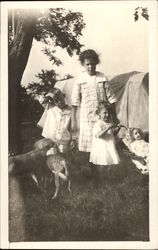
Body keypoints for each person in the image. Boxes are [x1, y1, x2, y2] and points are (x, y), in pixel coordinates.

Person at [71, 49, 118, 156]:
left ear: (96, 63)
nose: (90, 67)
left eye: (93, 64)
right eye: (87, 64)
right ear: (83, 64)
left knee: (104, 143)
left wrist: (115, 116)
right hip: (86, 117)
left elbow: (112, 99)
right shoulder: (80, 79)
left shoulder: (102, 77)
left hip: (103, 116)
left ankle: (104, 166)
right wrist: (74, 121)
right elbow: (74, 103)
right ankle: (92, 168)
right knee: (90, 146)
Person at [38, 88, 72, 153]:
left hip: (63, 141)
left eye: (60, 99)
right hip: (49, 139)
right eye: (56, 101)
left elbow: (72, 127)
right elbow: (41, 100)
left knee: (63, 154)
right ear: (52, 101)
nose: (59, 102)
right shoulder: (50, 107)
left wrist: (73, 138)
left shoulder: (70, 111)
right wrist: (49, 96)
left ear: (63, 97)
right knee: (50, 154)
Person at [89, 102, 120, 166]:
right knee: (103, 161)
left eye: (109, 113)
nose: (107, 115)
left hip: (110, 145)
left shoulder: (109, 122)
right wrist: (107, 128)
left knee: (111, 160)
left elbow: (112, 134)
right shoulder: (98, 124)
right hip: (102, 147)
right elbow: (98, 135)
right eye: (105, 113)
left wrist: (117, 130)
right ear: (99, 114)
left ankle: (110, 172)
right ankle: (102, 173)